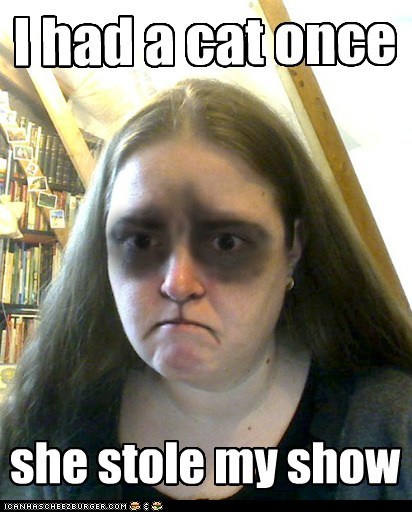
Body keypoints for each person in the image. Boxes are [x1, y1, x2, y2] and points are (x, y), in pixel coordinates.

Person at [0, 78, 411, 500]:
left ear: (293, 249)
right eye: (141, 241)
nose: (178, 284)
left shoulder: (392, 431)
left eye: (226, 243)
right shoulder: (43, 433)